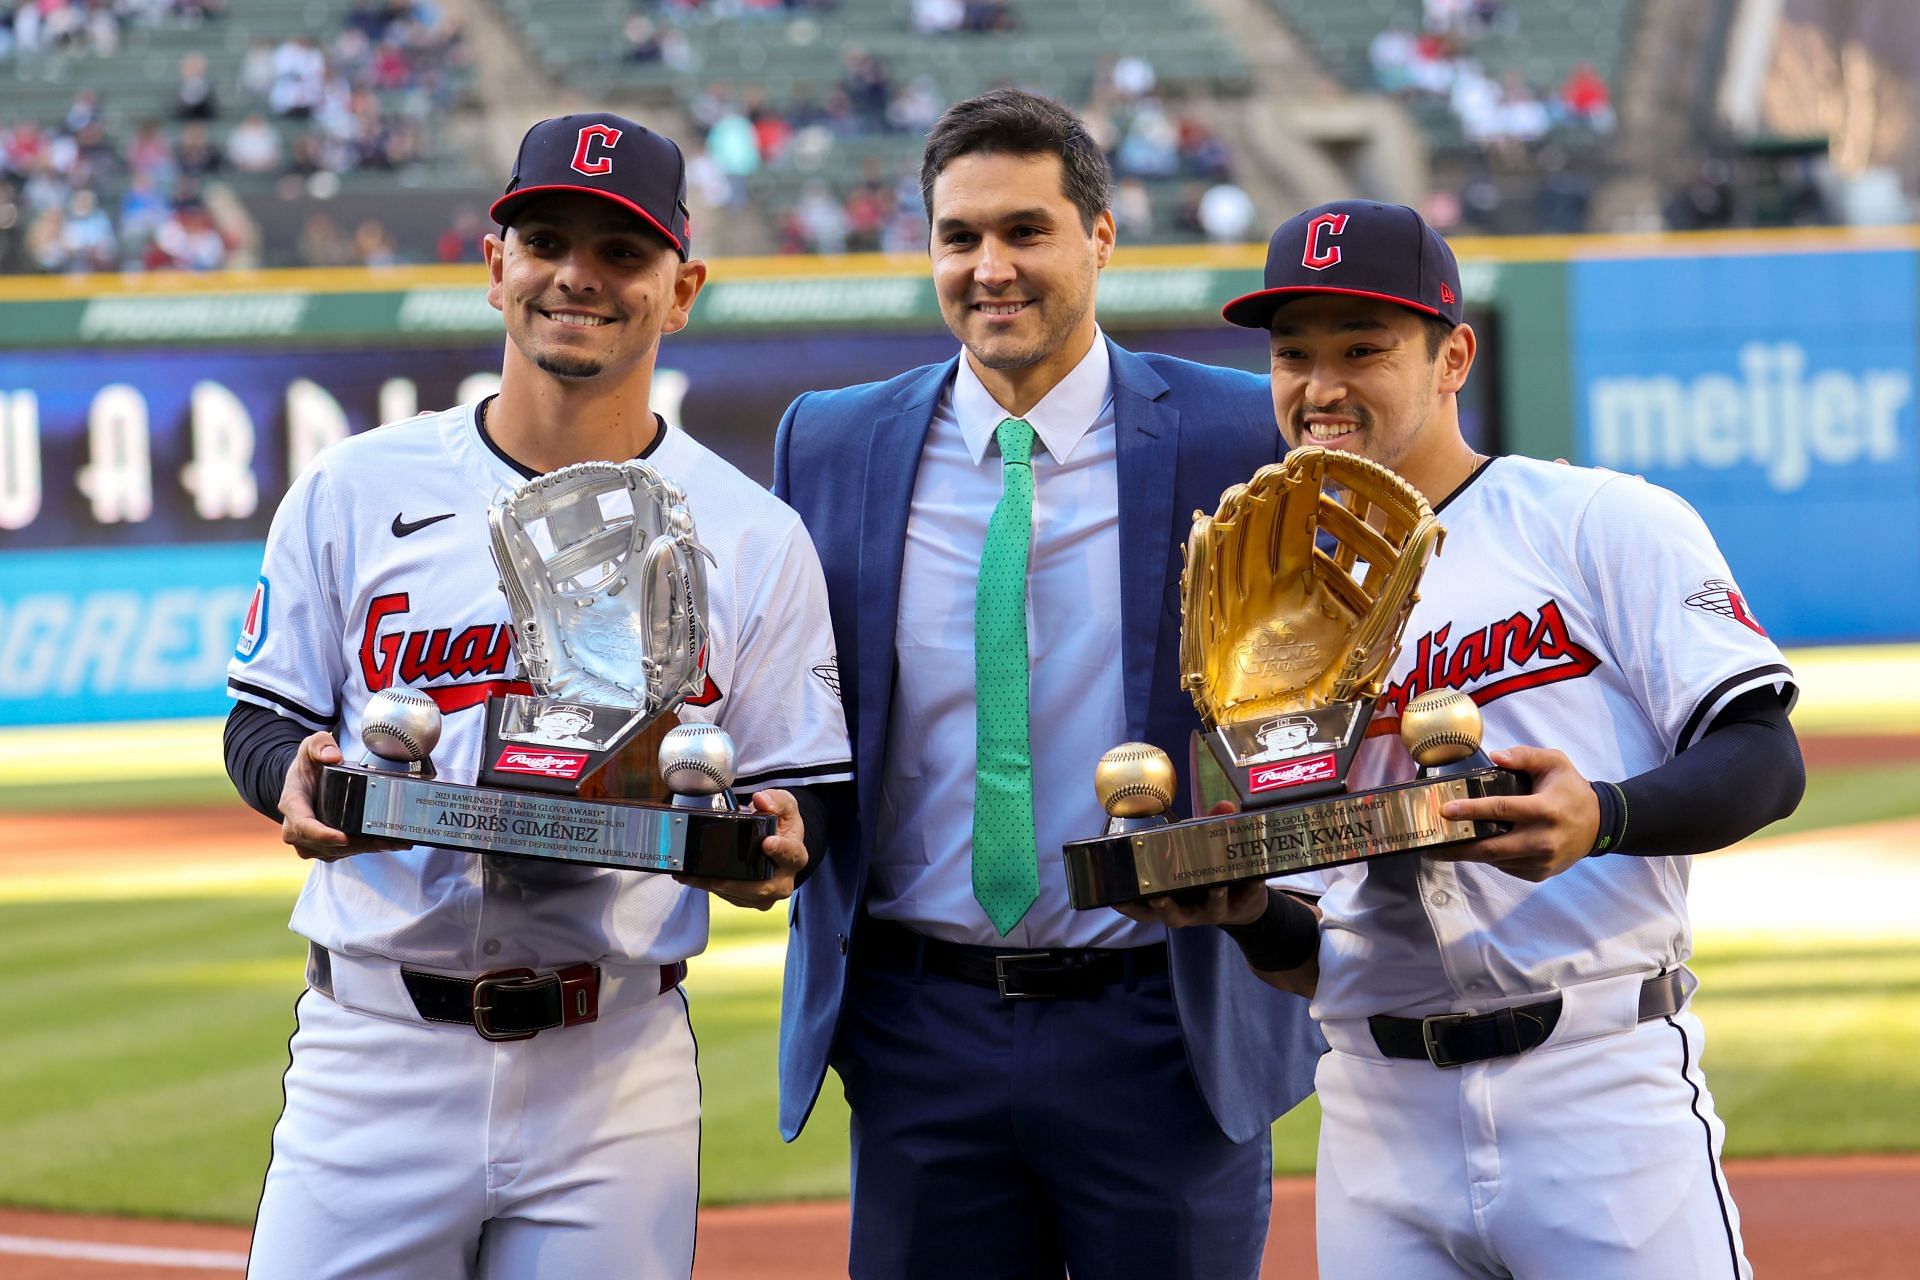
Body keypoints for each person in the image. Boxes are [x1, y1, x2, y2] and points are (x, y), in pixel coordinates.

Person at [223, 112, 852, 1280]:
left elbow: (794, 794)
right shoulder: (357, 486)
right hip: (374, 1048)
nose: (579, 275)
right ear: (496, 264)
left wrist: (765, 847)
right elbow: (264, 718)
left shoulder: (757, 537)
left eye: (622, 253)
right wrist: (289, 776)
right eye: (548, 238)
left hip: (611, 1061)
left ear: (681, 288)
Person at [1146, 199, 1803, 1278]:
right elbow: (1330, 943)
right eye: (1292, 353)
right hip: (1375, 1114)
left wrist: (1605, 813)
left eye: (1364, 347)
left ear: (1454, 355)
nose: (1322, 386)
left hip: (1594, 1090)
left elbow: (1766, 758)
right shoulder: (1269, 612)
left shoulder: (1596, 521)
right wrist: (1247, 909)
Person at [772, 88, 1323, 1280]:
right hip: (918, 1026)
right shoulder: (828, 441)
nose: (991, 267)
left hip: (1163, 1020)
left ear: (1102, 237)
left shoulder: (1245, 434)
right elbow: (798, 712)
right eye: (958, 236)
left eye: (1026, 230)